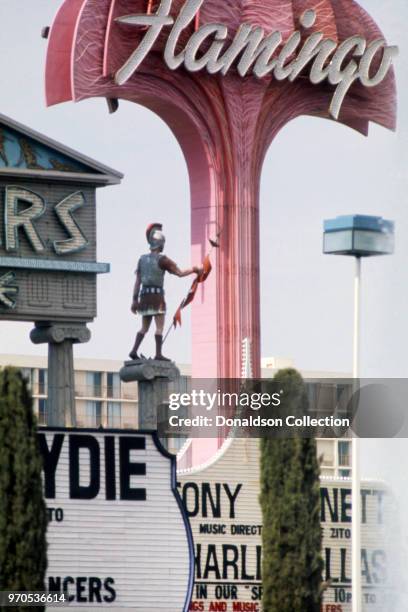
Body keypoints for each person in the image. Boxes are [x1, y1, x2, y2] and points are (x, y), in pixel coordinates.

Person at [129, 223, 202, 361]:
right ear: (161, 244)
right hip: (157, 297)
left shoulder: (142, 259)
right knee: (159, 327)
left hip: (144, 297)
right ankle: (158, 354)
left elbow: (137, 282)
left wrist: (134, 300)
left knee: (144, 328)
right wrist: (194, 269)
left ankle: (134, 350)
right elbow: (180, 273)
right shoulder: (163, 259)